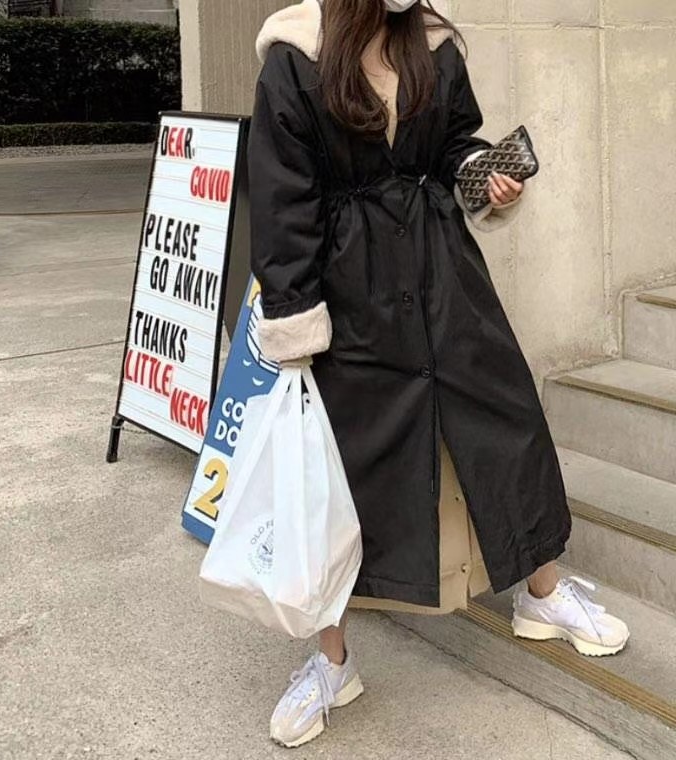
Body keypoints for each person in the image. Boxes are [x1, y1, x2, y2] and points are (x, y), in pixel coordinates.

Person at [247, 0, 629, 748]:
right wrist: (295, 320)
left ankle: (542, 592)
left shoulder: (434, 41)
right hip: (351, 290)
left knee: (504, 419)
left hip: (443, 270)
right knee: (340, 473)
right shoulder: (296, 52)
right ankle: (331, 662)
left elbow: (455, 142)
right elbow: (282, 199)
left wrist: (483, 176)